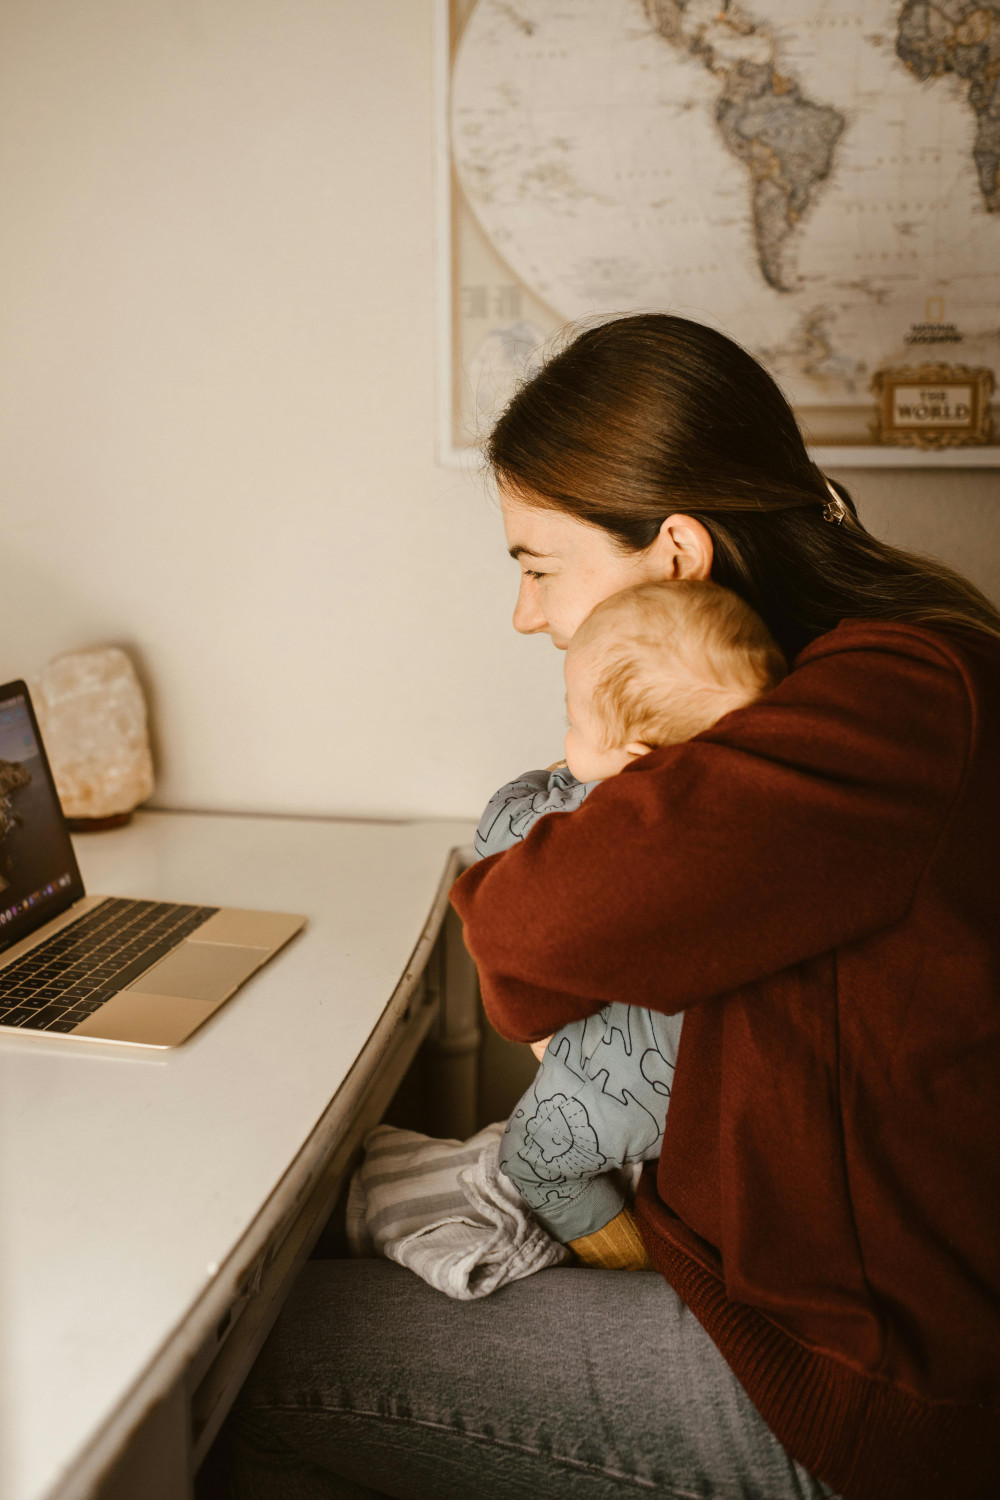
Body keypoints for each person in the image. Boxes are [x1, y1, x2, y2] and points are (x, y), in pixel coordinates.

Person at [221, 314, 1000, 1500]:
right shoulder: (860, 685)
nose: (526, 615)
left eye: (536, 566)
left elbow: (527, 926)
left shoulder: (891, 702)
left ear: (677, 551)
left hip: (853, 1394)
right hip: (778, 1287)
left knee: (247, 1366)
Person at [479, 580, 787, 1269]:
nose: (566, 739)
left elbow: (501, 826)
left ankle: (636, 1269)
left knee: (533, 1161)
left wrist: (554, 776)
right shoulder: (760, 815)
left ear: (641, 759)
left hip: (627, 1088)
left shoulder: (591, 822)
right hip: (733, 1091)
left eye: (574, 720)